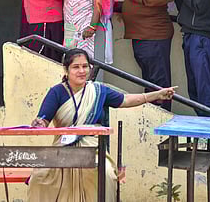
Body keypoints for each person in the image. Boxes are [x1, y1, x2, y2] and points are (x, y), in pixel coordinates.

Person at [27, 48, 176, 201]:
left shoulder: (98, 91)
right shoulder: (57, 92)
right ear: (66, 70)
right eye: (76, 67)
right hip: (62, 149)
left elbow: (125, 100)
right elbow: (43, 120)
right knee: (40, 177)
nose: (81, 71)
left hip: (93, 149)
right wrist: (39, 123)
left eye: (85, 66)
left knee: (105, 173)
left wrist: (156, 94)